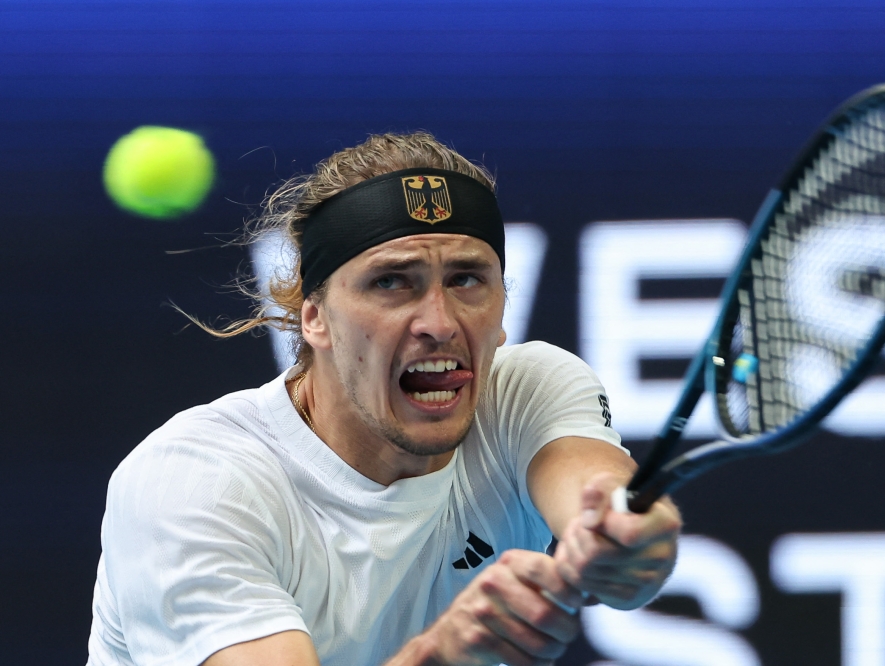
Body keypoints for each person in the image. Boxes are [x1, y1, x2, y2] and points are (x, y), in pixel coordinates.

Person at [87, 132, 681, 666]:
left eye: (466, 278)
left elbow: (601, 506)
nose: (440, 322)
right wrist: (439, 655)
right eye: (392, 281)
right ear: (313, 319)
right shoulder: (192, 481)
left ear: (502, 308)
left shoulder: (525, 392)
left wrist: (627, 545)